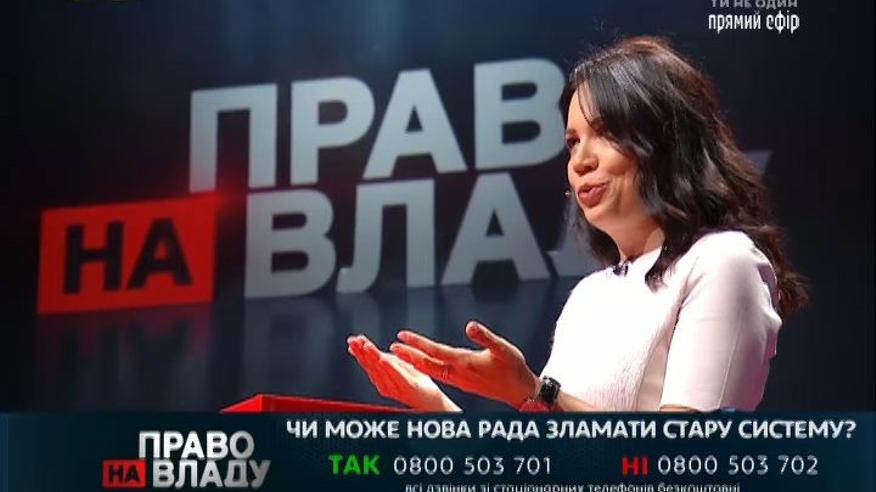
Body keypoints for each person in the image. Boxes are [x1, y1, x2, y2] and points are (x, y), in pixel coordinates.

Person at [347, 36, 808, 412]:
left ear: (666, 141)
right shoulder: (589, 295)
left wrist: (535, 392)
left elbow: (682, 460)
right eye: (572, 142)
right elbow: (552, 468)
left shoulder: (723, 261)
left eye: (605, 132)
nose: (580, 161)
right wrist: (438, 409)